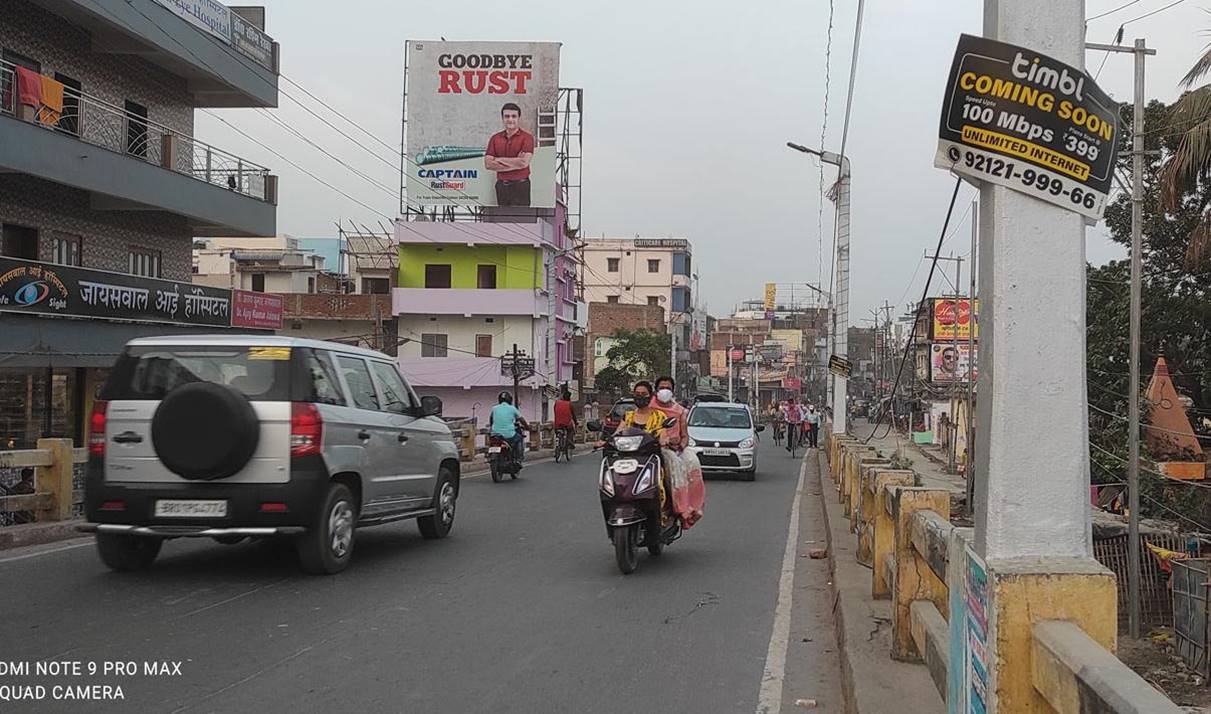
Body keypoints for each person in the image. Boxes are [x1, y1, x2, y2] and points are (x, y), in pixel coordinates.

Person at [484, 102, 534, 207]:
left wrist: (498, 159)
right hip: (502, 186)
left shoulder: (527, 138)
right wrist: (516, 163)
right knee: (503, 217)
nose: (510, 119)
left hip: (521, 186)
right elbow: (488, 164)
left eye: (514, 116)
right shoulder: (495, 138)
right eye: (507, 116)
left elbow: (524, 163)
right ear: (502, 118)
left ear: (519, 118)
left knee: (522, 217)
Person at [489, 391, 528, 468]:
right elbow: (521, 419)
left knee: (492, 442)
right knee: (519, 439)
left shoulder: (494, 408)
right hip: (509, 435)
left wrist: (492, 428)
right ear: (510, 400)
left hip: (495, 434)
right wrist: (527, 427)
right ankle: (518, 459)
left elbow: (491, 419)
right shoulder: (512, 408)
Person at [652, 376, 688, 451]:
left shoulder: (680, 411)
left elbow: (684, 436)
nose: (665, 391)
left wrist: (680, 448)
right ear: (656, 390)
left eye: (668, 388)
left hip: (672, 450)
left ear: (672, 391)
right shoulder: (649, 406)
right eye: (662, 388)